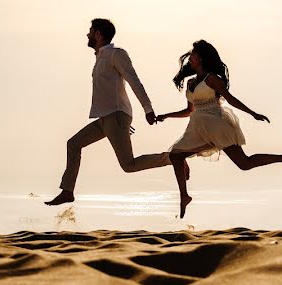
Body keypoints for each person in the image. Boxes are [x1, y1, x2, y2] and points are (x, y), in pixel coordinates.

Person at [157, 40, 282, 218]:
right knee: (175, 155)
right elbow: (189, 111)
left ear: (202, 58)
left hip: (215, 124)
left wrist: (253, 113)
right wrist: (166, 115)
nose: (190, 56)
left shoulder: (212, 79)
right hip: (196, 127)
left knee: (244, 163)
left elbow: (231, 99)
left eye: (194, 54)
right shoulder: (190, 83)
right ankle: (184, 196)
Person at [45, 18, 184, 206]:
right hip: (106, 119)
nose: (87, 34)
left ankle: (172, 158)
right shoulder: (100, 57)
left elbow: (134, 81)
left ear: (98, 34)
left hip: (116, 116)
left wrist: (147, 109)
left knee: (129, 165)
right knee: (73, 144)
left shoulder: (115, 54)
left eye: (90, 30)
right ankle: (67, 191)